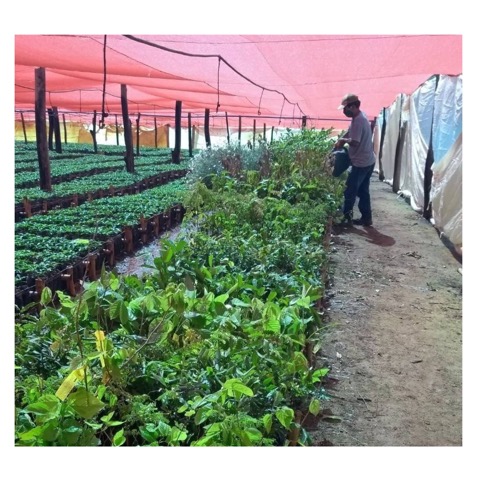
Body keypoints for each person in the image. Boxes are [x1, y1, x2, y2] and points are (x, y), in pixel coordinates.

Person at [334, 93, 376, 227]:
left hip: (361, 163)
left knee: (350, 190)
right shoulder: (359, 116)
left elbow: (356, 142)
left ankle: (346, 218)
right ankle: (366, 218)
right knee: (363, 191)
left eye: (345, 108)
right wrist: (341, 139)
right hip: (368, 161)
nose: (344, 112)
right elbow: (349, 131)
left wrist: (343, 141)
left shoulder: (358, 121)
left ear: (352, 106)